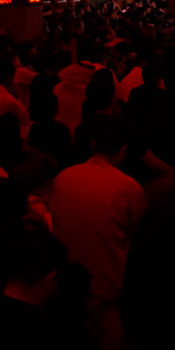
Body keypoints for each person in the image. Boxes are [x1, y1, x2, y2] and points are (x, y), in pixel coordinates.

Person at [48, 116, 147, 308]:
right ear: (124, 150)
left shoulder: (62, 177)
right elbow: (139, 235)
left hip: (62, 281)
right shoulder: (128, 187)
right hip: (109, 288)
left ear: (93, 146)